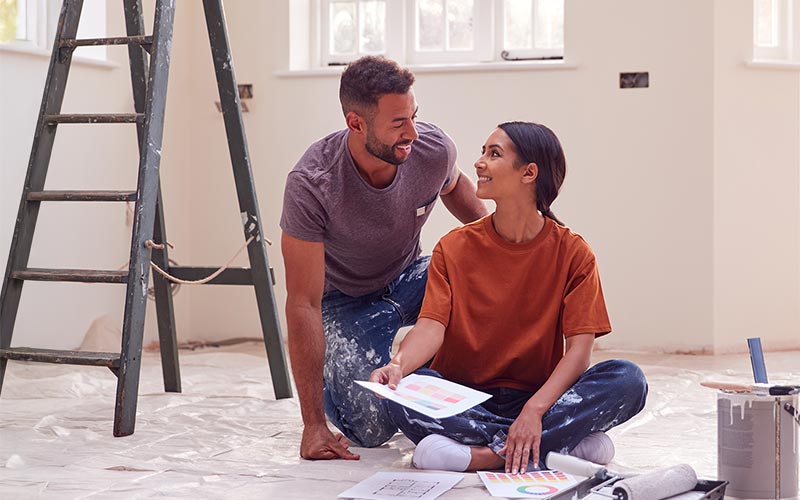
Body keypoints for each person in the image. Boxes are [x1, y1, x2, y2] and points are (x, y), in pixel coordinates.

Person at [369, 121, 648, 473]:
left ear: (529, 173)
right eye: (483, 152)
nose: (478, 163)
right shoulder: (453, 247)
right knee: (402, 393)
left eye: (494, 154)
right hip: (462, 397)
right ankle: (554, 445)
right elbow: (430, 327)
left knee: (628, 379)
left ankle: (486, 455)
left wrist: (534, 411)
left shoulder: (574, 254)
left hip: (538, 398)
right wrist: (397, 365)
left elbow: (579, 352)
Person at [280, 56, 489, 461]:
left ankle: (447, 377)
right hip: (345, 302)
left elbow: (458, 191)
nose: (412, 132)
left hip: (410, 278)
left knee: (486, 265)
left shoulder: (432, 150)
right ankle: (351, 382)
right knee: (370, 429)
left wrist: (509, 247)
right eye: (398, 123)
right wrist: (312, 424)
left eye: (414, 116)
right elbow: (302, 303)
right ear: (356, 123)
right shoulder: (312, 185)